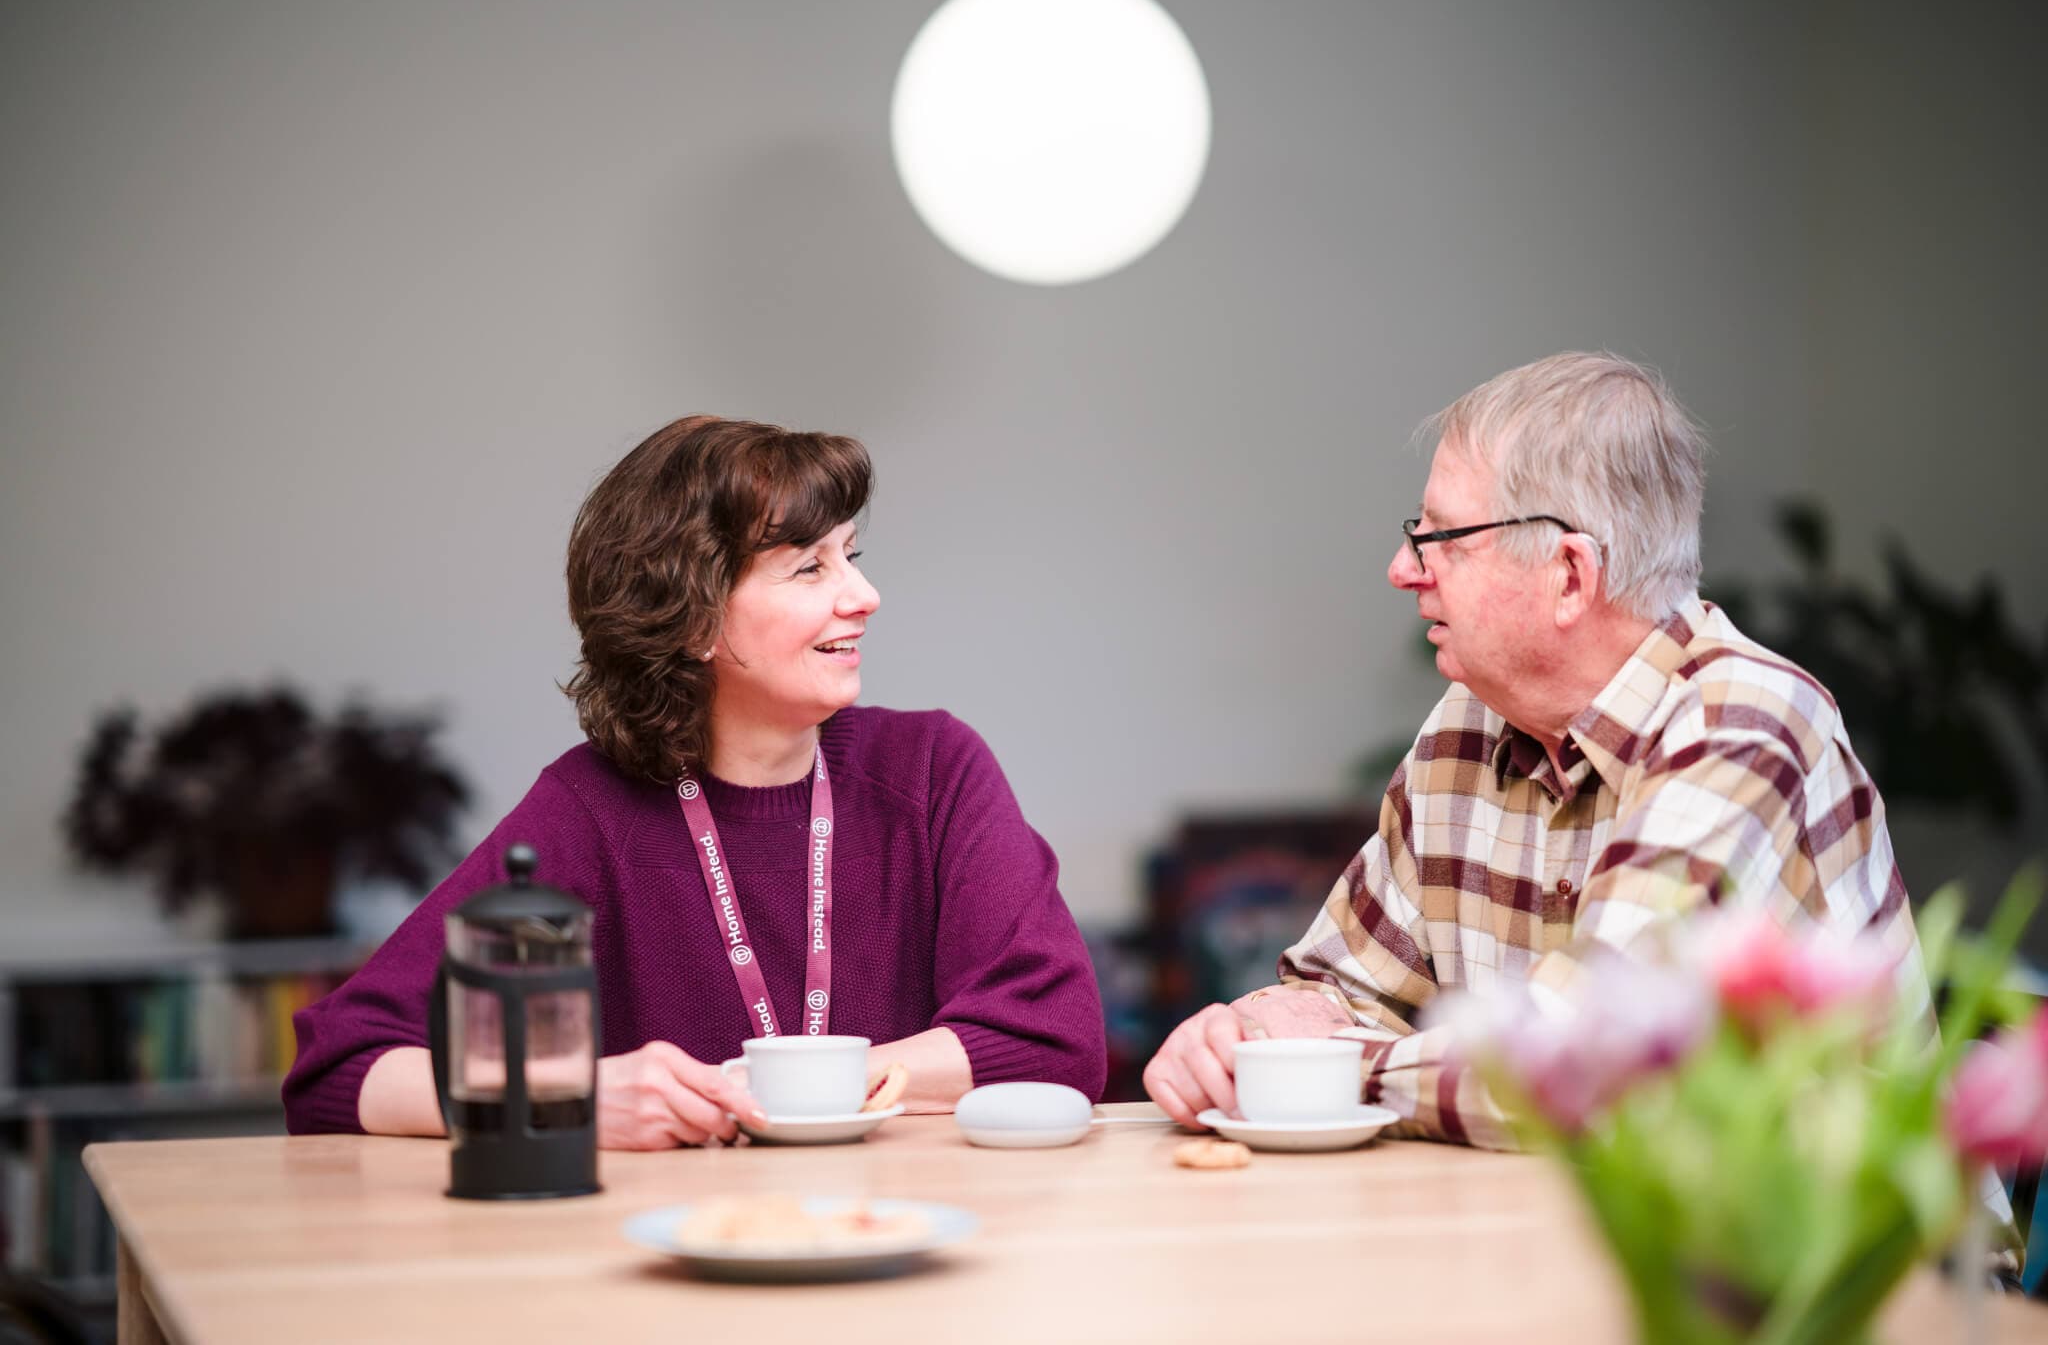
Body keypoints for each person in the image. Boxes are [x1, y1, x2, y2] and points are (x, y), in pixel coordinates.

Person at [1143, 352, 1922, 1148]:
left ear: (1571, 576)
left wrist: (1319, 1068)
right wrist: (1243, 1036)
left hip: (1837, 1227)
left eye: (1443, 537)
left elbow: (1585, 1063)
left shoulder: (1742, 724)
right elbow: (1342, 990)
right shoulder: (1467, 726)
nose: (1403, 569)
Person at [285, 416, 1106, 1148]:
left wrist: (792, 1088)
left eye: (850, 557)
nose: (865, 596)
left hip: (903, 1235)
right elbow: (338, 1067)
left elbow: (1054, 1040)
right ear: (694, 617)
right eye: (809, 568)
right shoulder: (588, 811)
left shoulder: (931, 770)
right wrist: (565, 1097)